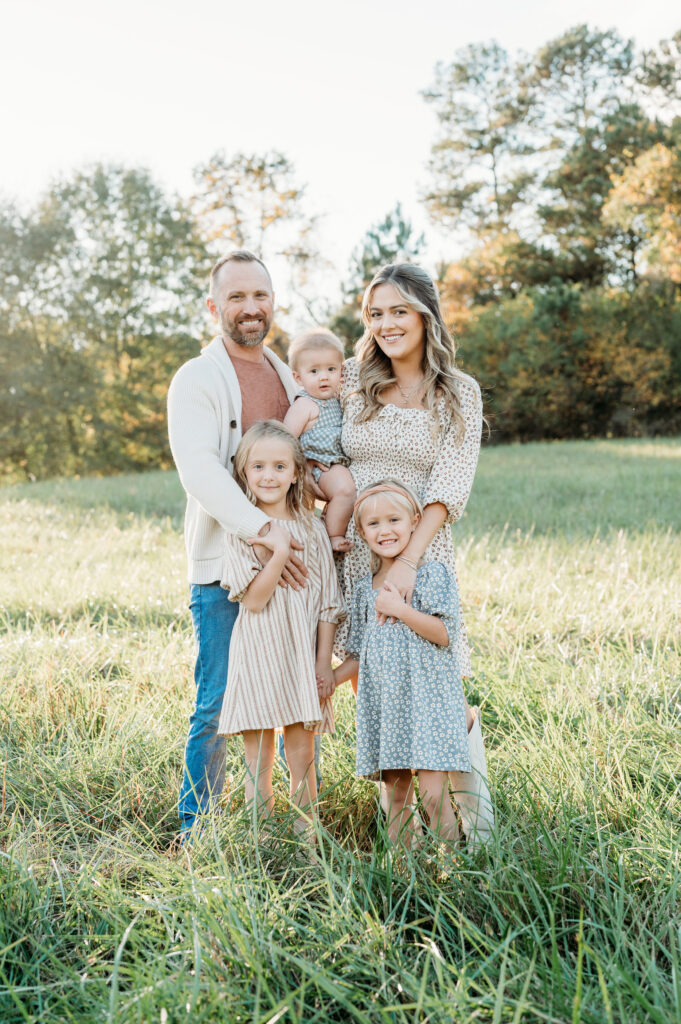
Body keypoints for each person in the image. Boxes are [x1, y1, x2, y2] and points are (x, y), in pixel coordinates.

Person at [332, 262, 493, 847]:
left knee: (431, 681)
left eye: (399, 310)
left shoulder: (458, 392)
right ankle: (399, 835)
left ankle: (467, 825)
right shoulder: (351, 379)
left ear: (426, 314)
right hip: (357, 550)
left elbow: (451, 485)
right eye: (375, 314)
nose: (386, 324)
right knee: (376, 683)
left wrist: (407, 563)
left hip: (421, 549)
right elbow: (309, 422)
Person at [167, 250, 307, 839]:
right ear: (213, 306)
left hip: (293, 563)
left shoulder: (287, 373)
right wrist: (264, 530)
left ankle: (275, 818)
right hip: (227, 565)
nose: (251, 308)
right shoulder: (197, 378)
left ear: (274, 302)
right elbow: (199, 471)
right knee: (219, 700)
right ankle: (196, 827)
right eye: (236, 297)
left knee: (289, 692)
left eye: (260, 296)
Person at [217, 421, 344, 841]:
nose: (268, 476)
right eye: (257, 467)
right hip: (258, 650)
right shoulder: (242, 529)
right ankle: (262, 842)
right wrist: (280, 550)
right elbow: (253, 600)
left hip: (300, 655)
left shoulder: (313, 526)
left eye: (278, 466)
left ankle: (307, 842)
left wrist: (323, 663)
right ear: (244, 472)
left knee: (302, 753)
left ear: (296, 473)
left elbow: (329, 603)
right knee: (259, 760)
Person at [334, 480, 470, 844]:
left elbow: (444, 634)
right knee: (395, 796)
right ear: (361, 533)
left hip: (428, 705)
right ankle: (402, 874)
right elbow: (359, 653)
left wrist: (400, 610)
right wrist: (329, 681)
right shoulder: (365, 588)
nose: (385, 530)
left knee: (432, 795)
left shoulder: (431, 574)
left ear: (413, 522)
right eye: (374, 524)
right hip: (388, 708)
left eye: (394, 520)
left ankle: (454, 873)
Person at [284, 328, 356, 551]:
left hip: (335, 462)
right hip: (320, 465)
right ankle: (333, 535)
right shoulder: (304, 405)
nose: (324, 376)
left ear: (341, 372)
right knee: (346, 490)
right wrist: (301, 469)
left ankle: (326, 522)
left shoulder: (337, 399)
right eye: (314, 371)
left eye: (331, 369)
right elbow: (285, 440)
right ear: (298, 377)